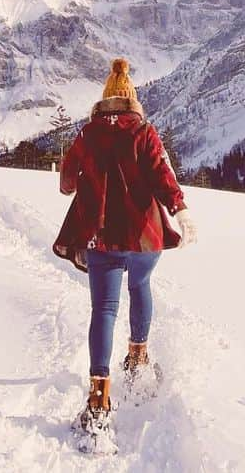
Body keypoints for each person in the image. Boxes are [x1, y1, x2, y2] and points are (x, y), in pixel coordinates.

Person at [53, 57, 196, 439]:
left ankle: (99, 399)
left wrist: (74, 185)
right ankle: (137, 357)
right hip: (145, 234)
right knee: (141, 287)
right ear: (131, 100)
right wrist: (180, 211)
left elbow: (67, 181)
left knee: (104, 309)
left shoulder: (88, 135)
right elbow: (162, 174)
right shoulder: (145, 131)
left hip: (101, 236)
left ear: (104, 100)